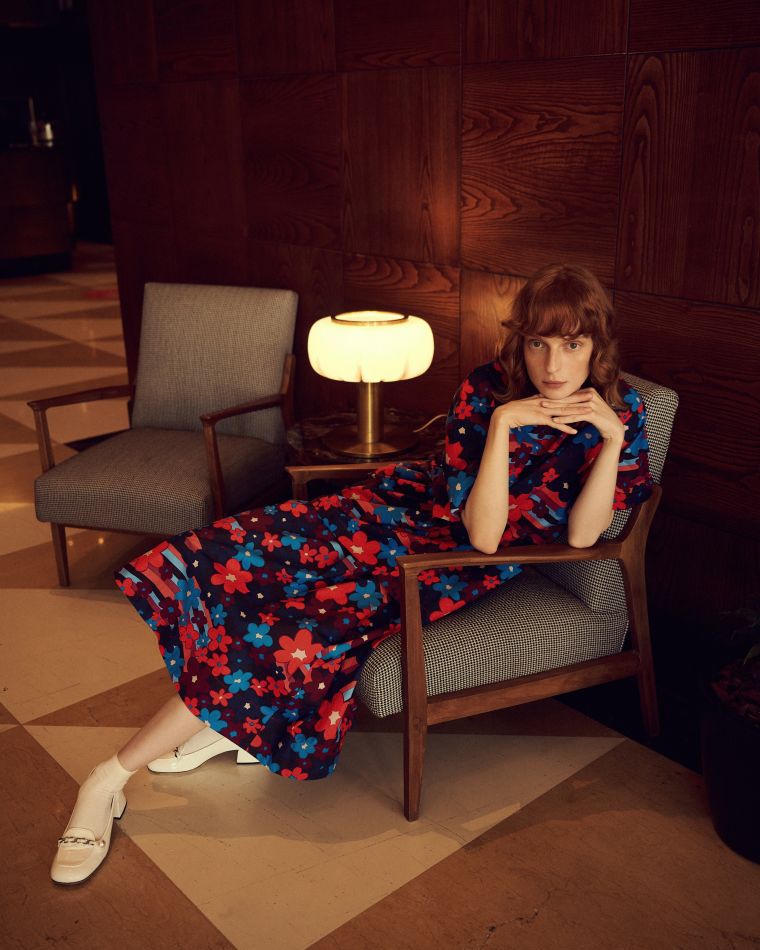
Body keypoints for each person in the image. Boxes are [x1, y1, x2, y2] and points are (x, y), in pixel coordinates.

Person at [50, 262, 653, 884]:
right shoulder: (487, 390)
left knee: (287, 634)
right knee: (220, 550)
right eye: (538, 344)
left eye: (572, 345)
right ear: (520, 343)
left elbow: (531, 537)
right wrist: (503, 422)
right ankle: (223, 718)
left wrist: (611, 441)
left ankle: (107, 780)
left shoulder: (621, 413)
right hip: (391, 512)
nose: (553, 366)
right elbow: (455, 485)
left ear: (596, 346)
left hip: (444, 563)